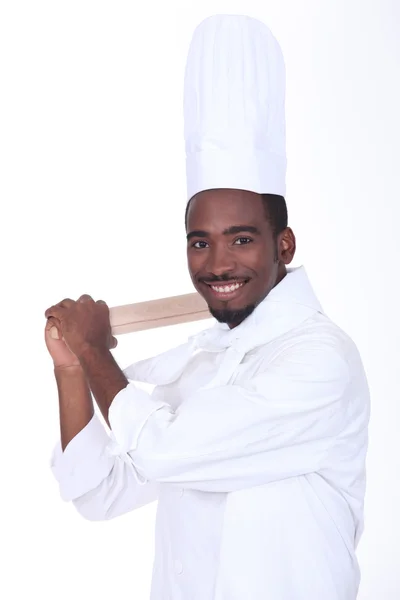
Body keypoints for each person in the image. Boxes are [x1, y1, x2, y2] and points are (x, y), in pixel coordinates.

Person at [45, 15, 370, 600]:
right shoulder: (201, 365)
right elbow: (101, 492)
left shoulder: (320, 362)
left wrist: (94, 349)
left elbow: (163, 450)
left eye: (242, 238)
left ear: (284, 245)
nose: (217, 263)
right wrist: (71, 368)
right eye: (201, 241)